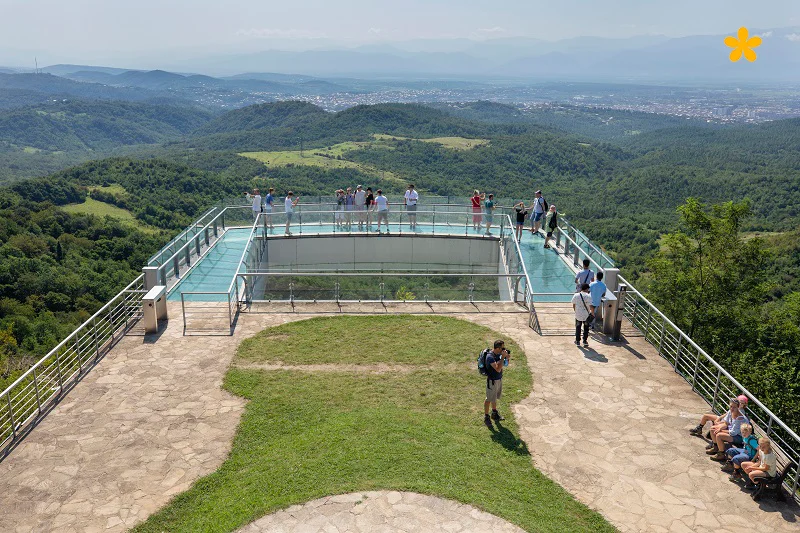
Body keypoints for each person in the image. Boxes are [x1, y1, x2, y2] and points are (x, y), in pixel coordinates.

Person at [483, 339, 510, 428]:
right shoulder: (490, 357)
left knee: (494, 398)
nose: (504, 349)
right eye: (502, 348)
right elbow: (498, 369)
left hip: (498, 379)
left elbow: (503, 365)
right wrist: (502, 357)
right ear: (498, 348)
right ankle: (486, 417)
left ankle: (494, 413)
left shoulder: (497, 354)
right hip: (492, 381)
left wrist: (507, 358)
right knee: (488, 399)